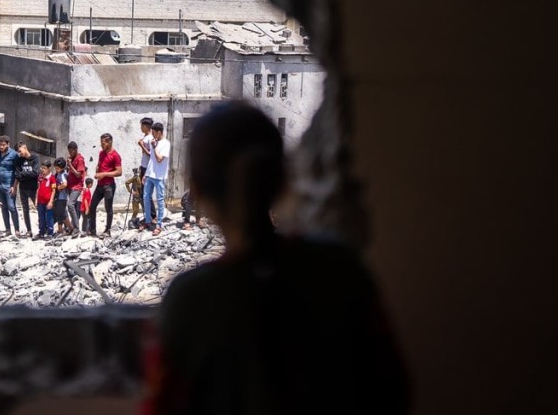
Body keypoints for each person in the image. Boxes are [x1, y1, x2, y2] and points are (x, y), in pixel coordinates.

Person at [149, 100, 409, 414]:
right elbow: (393, 390)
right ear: (284, 179)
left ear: (198, 193)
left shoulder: (191, 299)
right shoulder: (340, 268)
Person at [0, 135, 22, 237]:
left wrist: (14, 186)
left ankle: (17, 229)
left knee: (12, 207)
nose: (1, 147)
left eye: (3, 145)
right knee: (3, 208)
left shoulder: (14, 155)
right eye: (0, 145)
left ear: (8, 144)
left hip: (9, 186)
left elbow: (18, 171)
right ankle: (7, 229)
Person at [88, 133, 123, 237]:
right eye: (101, 143)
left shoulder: (115, 155)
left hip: (109, 185)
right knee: (92, 206)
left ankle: (108, 230)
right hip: (100, 185)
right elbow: (99, 164)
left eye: (103, 143)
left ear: (109, 142)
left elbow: (119, 172)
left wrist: (104, 174)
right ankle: (92, 229)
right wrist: (97, 170)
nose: (101, 145)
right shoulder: (101, 153)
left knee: (108, 208)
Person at [142, 123, 170, 236]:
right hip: (150, 175)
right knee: (146, 197)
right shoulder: (154, 141)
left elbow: (159, 159)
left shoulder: (166, 144)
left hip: (159, 176)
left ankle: (159, 225)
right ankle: (147, 221)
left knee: (160, 200)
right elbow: (152, 159)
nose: (153, 135)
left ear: (159, 132)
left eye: (154, 133)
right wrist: (146, 174)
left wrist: (154, 147)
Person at [13, 142, 40, 239]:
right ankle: (29, 230)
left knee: (38, 208)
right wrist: (25, 175)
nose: (19, 153)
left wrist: (23, 174)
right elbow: (17, 174)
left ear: (25, 148)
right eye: (18, 152)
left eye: (20, 151)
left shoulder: (35, 158)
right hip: (23, 188)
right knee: (25, 210)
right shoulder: (19, 160)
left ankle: (42, 229)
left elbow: (36, 173)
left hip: (33, 188)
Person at [136, 116, 156, 224]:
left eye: (142, 126)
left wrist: (141, 145)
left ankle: (152, 216)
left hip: (148, 169)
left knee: (145, 193)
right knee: (143, 193)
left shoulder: (150, 138)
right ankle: (148, 215)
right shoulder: (145, 137)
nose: (140, 128)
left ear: (146, 126)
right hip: (144, 167)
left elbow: (151, 155)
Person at [64, 141, 86, 234]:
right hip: (70, 185)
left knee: (70, 205)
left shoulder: (79, 160)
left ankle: (76, 228)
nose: (70, 153)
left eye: (71, 151)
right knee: (71, 207)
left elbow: (78, 174)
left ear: (75, 150)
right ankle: (71, 226)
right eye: (69, 151)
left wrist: (70, 165)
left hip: (77, 186)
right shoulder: (71, 159)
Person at [49, 157, 73, 235]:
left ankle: (71, 228)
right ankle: (62, 229)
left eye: (57, 168)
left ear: (62, 168)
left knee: (62, 214)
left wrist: (58, 187)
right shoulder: (59, 174)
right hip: (59, 197)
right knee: (61, 214)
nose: (56, 169)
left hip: (62, 198)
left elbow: (65, 184)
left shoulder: (63, 174)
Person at [35, 160, 55, 240]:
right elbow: (38, 188)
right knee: (41, 218)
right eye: (42, 168)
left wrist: (51, 202)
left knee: (49, 217)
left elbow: (53, 191)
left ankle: (50, 233)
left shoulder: (52, 178)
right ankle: (41, 232)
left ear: (49, 168)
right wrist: (36, 199)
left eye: (44, 168)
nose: (42, 170)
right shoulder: (40, 177)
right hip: (40, 202)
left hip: (48, 202)